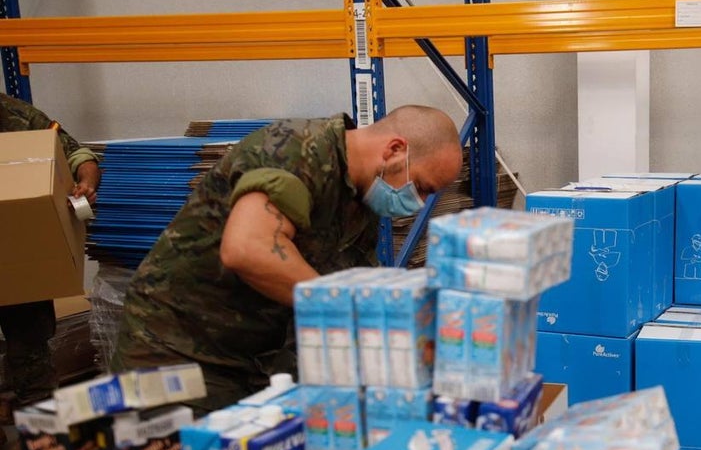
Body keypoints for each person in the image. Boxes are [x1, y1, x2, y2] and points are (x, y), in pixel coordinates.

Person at [112, 105, 462, 415]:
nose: (418, 203)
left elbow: (355, 279)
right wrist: (342, 310)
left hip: (247, 360)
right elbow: (249, 248)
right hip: (171, 352)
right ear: (395, 149)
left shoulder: (360, 199)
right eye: (422, 187)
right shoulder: (294, 152)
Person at [0, 93, 102, 450]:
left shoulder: (15, 115)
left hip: (19, 251)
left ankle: (38, 436)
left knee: (29, 340)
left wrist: (85, 182)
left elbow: (79, 154)